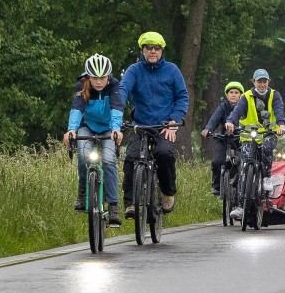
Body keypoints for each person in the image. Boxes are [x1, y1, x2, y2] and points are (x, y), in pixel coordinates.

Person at [118, 32, 189, 218]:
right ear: (143, 50)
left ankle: (167, 192)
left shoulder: (172, 70)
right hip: (140, 125)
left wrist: (174, 120)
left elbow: (182, 96)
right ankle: (130, 203)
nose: (152, 51)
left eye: (156, 48)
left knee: (164, 153)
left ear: (161, 51)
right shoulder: (134, 70)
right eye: (149, 48)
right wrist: (117, 109)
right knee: (131, 158)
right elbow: (124, 89)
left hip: (164, 125)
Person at [63, 54, 124, 226]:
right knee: (84, 156)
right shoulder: (82, 85)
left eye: (102, 78)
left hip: (108, 127)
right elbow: (76, 108)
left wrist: (116, 129)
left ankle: (113, 206)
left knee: (109, 161)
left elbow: (117, 108)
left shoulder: (114, 86)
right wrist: (71, 130)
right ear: (88, 76)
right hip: (87, 126)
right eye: (95, 78)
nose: (98, 82)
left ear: (109, 76)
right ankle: (82, 193)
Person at [226, 68, 285, 223]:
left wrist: (281, 125)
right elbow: (237, 111)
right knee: (244, 166)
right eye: (259, 81)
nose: (262, 84)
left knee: (267, 148)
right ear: (254, 82)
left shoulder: (274, 95)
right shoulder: (246, 96)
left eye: (264, 81)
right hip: (248, 136)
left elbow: (279, 110)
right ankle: (240, 206)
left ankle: (266, 177)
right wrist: (230, 122)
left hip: (268, 134)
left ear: (268, 82)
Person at [201, 81, 243, 196]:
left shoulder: (244, 107)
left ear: (241, 95)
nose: (233, 95)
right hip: (224, 138)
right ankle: (217, 186)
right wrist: (208, 129)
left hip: (241, 139)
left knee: (241, 162)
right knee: (217, 162)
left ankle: (242, 187)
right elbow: (214, 119)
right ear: (227, 95)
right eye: (231, 92)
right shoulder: (223, 107)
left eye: (236, 92)